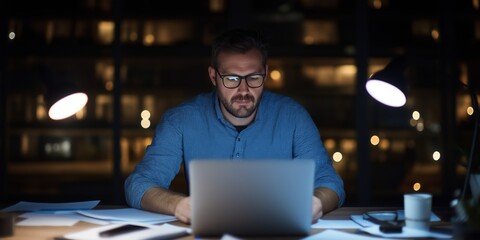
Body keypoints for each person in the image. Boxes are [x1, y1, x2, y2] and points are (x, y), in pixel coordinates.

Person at [125, 28, 345, 224]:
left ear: (265, 74)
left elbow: (330, 183)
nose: (243, 90)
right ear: (213, 76)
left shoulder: (293, 117)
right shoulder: (181, 120)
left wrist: (317, 202)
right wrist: (178, 205)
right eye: (231, 78)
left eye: (254, 77)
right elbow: (139, 185)